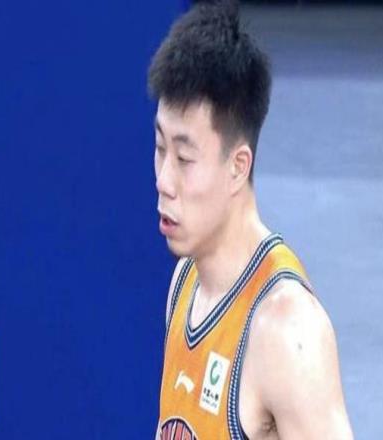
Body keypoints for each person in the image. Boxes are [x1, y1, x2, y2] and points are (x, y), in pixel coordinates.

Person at [148, 1, 353, 438]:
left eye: (184, 158)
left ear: (238, 167)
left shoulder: (288, 330)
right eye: (160, 148)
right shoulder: (185, 282)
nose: (164, 180)